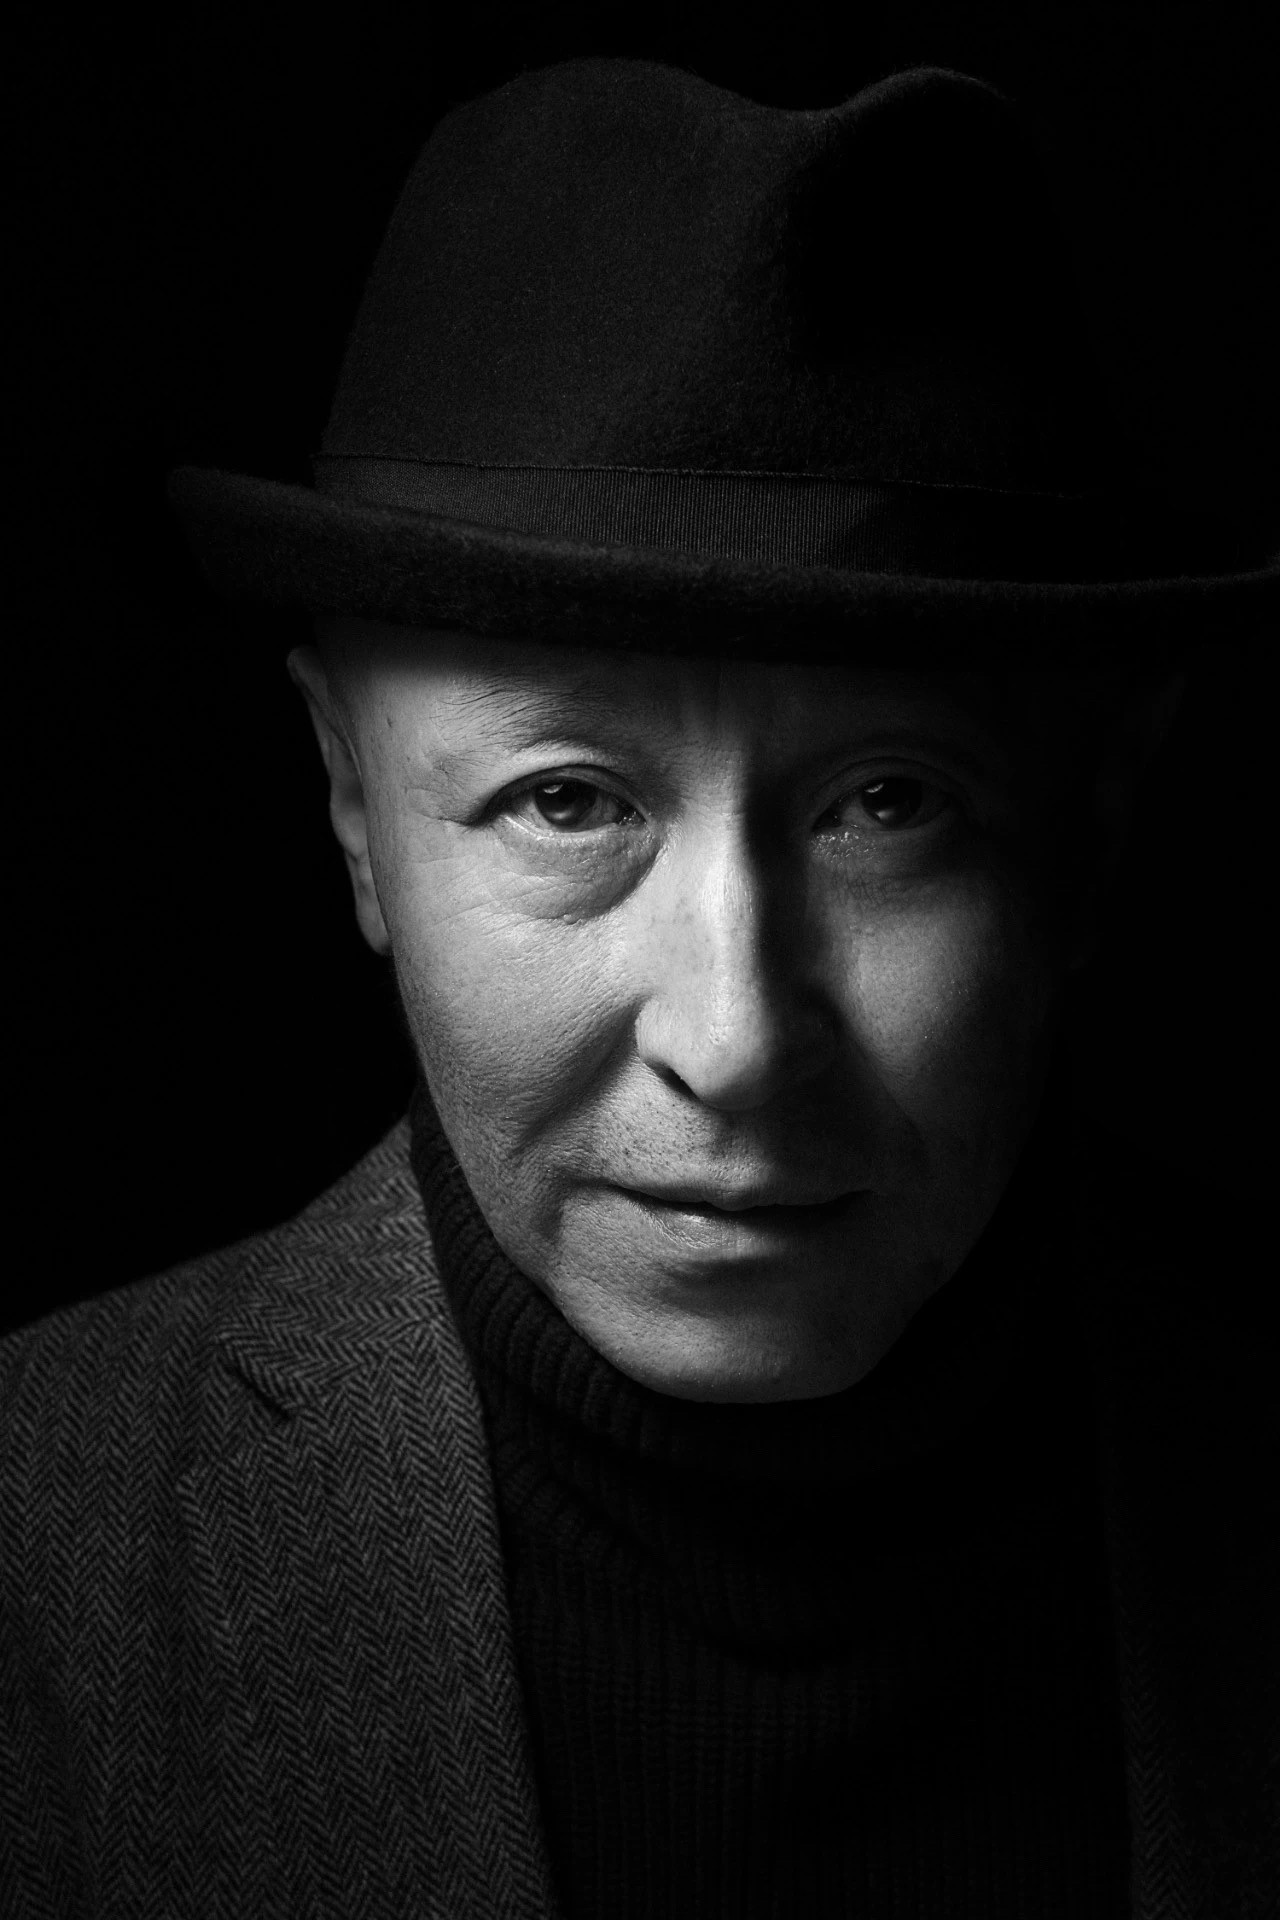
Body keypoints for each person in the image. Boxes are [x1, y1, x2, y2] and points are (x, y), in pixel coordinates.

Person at [2, 55, 1275, 1920]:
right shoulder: (34, 1549)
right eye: (568, 802)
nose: (734, 1043)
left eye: (886, 806)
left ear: (1093, 823)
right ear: (355, 807)